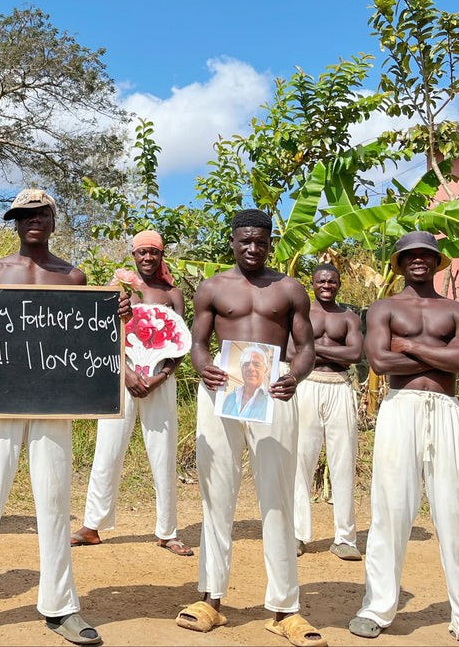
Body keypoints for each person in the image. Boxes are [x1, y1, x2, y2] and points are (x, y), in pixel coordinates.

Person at [0, 188, 103, 646]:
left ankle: (61, 606)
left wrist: (116, 316)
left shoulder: (73, 277)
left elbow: (88, 336)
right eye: (24, 214)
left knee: (54, 502)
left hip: (54, 403)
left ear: (53, 219)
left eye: (41, 213)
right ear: (14, 221)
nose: (33, 220)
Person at [176, 209, 326, 647]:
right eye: (245, 241)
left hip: (273, 389)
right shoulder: (213, 287)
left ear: (270, 242)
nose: (252, 249)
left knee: (277, 497)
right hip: (223, 389)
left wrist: (293, 377)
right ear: (233, 241)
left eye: (260, 242)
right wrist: (205, 369)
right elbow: (198, 344)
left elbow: (306, 346)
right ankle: (211, 600)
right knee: (217, 493)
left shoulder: (289, 288)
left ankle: (285, 608)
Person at [349, 231, 459, 646]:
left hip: (447, 411)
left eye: (426, 255)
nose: (418, 261)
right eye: (410, 255)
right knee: (391, 509)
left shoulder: (458, 309)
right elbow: (379, 360)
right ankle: (377, 607)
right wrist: (443, 353)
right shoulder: (384, 308)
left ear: (436, 261)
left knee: (453, 510)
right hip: (401, 408)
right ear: (399, 262)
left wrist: (407, 344)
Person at [70, 230, 192, 556]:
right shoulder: (119, 290)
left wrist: (161, 377)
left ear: (161, 255)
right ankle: (92, 525)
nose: (148, 258)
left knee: (163, 454)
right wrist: (125, 373)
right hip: (120, 376)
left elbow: (180, 345)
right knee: (107, 450)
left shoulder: (173, 294)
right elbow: (101, 335)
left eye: (154, 252)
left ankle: (168, 531)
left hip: (159, 382)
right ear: (133, 255)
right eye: (142, 252)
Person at [290, 263, 363, 561]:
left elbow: (356, 355)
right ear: (313, 283)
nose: (326, 285)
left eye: (332, 281)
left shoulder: (349, 318)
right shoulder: (301, 315)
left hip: (339, 387)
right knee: (300, 460)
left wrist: (314, 350)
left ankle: (345, 538)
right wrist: (325, 353)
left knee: (343, 460)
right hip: (306, 386)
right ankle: (296, 533)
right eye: (321, 280)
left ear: (339, 283)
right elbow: (290, 353)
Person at [219, 345, 272, 421]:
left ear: (265, 370)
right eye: (246, 364)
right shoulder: (230, 398)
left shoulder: (270, 401)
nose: (250, 368)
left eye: (256, 364)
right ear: (241, 368)